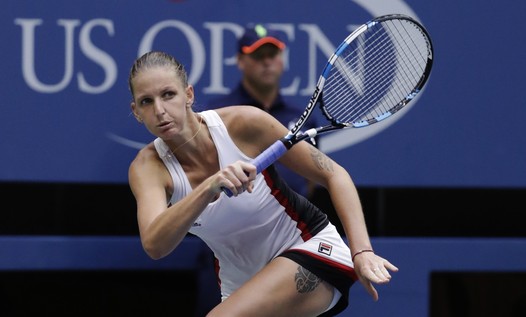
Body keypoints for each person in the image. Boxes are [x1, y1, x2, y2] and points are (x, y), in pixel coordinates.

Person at [127, 50, 398, 316]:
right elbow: (155, 245)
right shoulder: (148, 167)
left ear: (188, 94)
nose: (160, 110)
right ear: (136, 112)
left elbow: (334, 174)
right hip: (242, 282)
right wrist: (208, 188)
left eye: (168, 95)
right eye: (146, 102)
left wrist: (361, 250)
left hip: (309, 249)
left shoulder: (244, 123)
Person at [206, 23, 318, 199]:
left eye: (272, 55)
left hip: (294, 220)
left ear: (281, 59)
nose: (267, 62)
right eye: (258, 55)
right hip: (236, 221)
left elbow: (311, 178)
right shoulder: (218, 114)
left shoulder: (301, 117)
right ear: (240, 61)